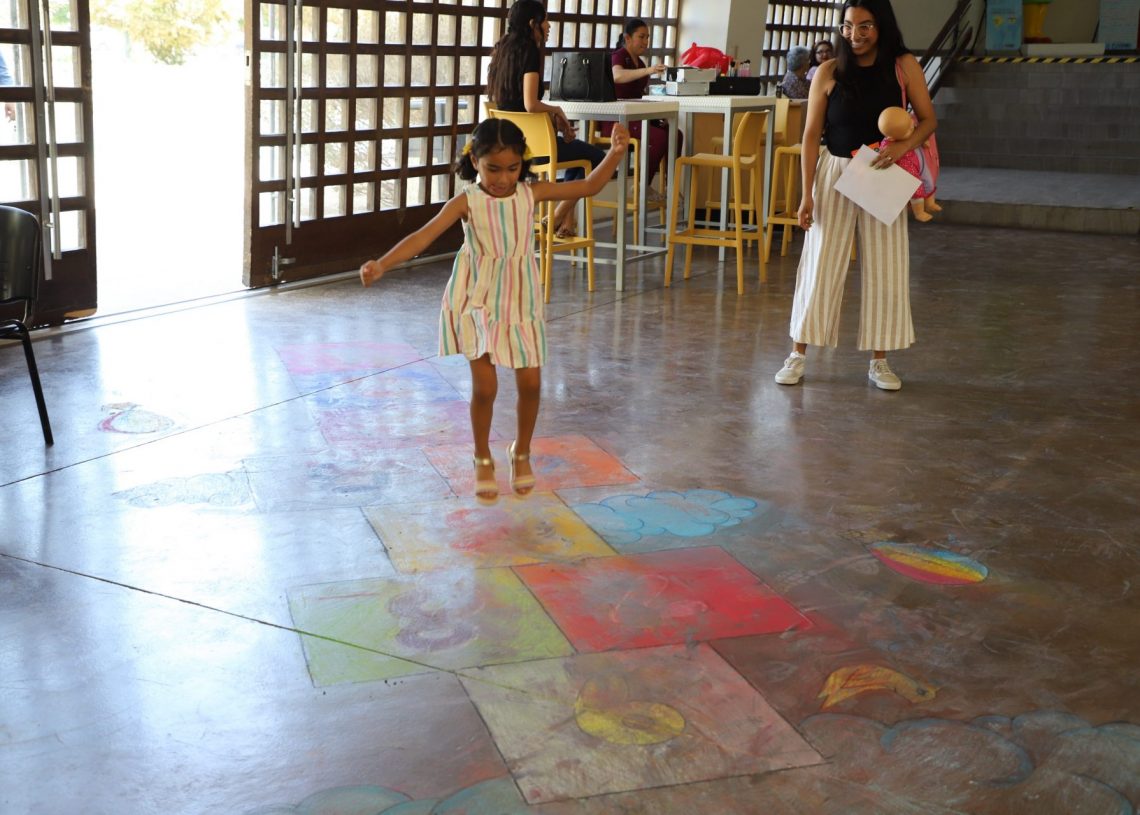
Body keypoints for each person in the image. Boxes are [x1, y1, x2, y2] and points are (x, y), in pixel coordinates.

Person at [359, 118, 629, 504]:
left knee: (531, 383)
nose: (503, 179)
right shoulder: (467, 201)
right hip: (477, 296)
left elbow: (587, 186)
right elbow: (423, 236)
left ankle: (521, 451)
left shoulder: (531, 193)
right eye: (493, 169)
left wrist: (615, 154)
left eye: (512, 168)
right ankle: (482, 455)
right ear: (475, 162)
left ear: (523, 164)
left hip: (520, 298)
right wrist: (383, 264)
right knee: (485, 387)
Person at [774, 0, 936, 391]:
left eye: (865, 26)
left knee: (886, 263)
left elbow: (928, 120)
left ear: (882, 26)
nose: (855, 34)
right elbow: (810, 135)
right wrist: (806, 194)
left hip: (882, 170)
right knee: (820, 261)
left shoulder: (903, 66)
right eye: (847, 26)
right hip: (834, 169)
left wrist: (902, 147)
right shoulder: (829, 70)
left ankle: (880, 361)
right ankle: (798, 353)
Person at [485, 0, 606, 239]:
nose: (549, 26)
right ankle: (558, 215)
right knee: (598, 158)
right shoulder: (529, 52)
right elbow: (530, 104)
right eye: (545, 20)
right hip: (535, 148)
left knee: (577, 158)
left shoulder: (502, 51)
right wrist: (557, 111)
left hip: (510, 145)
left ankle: (565, 221)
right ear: (533, 24)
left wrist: (553, 117)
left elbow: (515, 104)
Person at [603, 18, 684, 201]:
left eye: (647, 37)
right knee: (659, 137)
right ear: (627, 38)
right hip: (616, 121)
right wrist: (649, 70)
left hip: (635, 118)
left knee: (675, 134)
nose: (646, 41)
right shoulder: (619, 56)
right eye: (641, 37)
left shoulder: (639, 63)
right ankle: (642, 185)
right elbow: (617, 75)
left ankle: (670, 185)